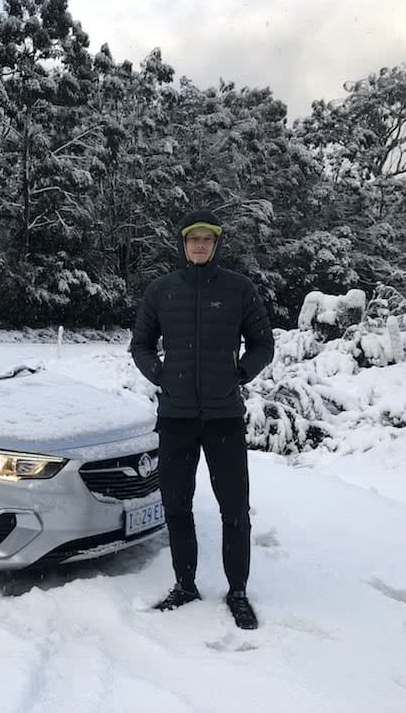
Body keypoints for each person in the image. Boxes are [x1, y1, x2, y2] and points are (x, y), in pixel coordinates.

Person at [130, 210, 274, 630]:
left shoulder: (238, 289)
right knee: (177, 505)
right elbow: (140, 344)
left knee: (234, 510)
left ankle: (239, 592)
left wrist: (240, 373)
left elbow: (263, 343)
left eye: (206, 240)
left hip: (223, 417)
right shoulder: (161, 291)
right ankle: (185, 584)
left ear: (216, 245)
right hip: (175, 418)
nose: (199, 245)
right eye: (193, 239)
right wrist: (159, 374)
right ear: (182, 243)